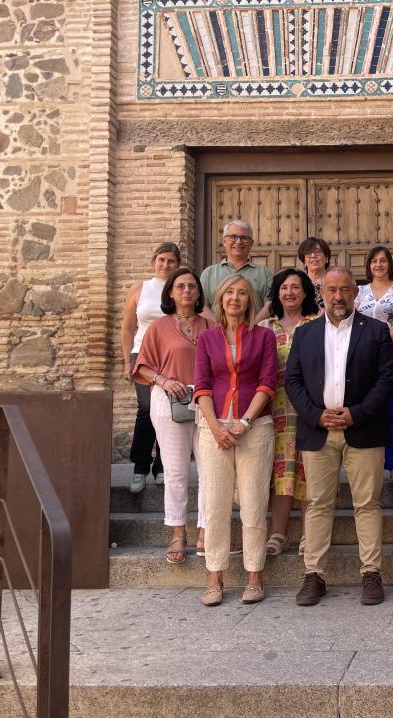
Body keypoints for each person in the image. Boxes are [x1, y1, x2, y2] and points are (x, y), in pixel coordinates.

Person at [285, 267, 393, 606]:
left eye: (345, 290)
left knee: (367, 503)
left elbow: (386, 379)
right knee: (318, 504)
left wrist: (357, 413)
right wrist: (316, 414)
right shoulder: (305, 334)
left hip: (363, 429)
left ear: (356, 293)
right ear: (322, 294)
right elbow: (292, 381)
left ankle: (371, 574)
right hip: (318, 431)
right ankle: (314, 576)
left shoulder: (377, 331)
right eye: (331, 290)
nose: (338, 296)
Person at [193, 274, 278, 606]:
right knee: (215, 504)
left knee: (254, 503)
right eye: (230, 292)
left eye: (242, 293)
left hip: (254, 427)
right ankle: (215, 576)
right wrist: (215, 427)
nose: (235, 298)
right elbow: (200, 385)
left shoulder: (264, 337)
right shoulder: (207, 339)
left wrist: (244, 422)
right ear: (220, 298)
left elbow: (267, 383)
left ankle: (255, 575)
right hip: (213, 428)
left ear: (250, 300)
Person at [132, 267, 213, 564]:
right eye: (180, 286)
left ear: (199, 292)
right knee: (176, 471)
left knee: (211, 471)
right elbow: (141, 366)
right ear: (170, 293)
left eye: (192, 286)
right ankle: (178, 533)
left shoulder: (210, 326)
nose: (187, 291)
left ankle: (207, 531)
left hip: (206, 402)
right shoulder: (159, 327)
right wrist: (165, 381)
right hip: (169, 400)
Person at [257, 268, 319, 557]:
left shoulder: (316, 324)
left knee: (308, 471)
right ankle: (278, 533)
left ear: (306, 292)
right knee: (281, 470)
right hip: (276, 409)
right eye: (284, 287)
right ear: (276, 294)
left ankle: (309, 534)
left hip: (310, 408)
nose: (290, 292)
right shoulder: (266, 327)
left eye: (296, 287)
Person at [120, 241, 180, 493]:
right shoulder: (139, 288)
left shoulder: (180, 288)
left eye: (171, 261)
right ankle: (140, 468)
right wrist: (126, 361)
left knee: (168, 412)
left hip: (170, 357)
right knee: (146, 410)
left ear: (178, 265)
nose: (165, 265)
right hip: (142, 356)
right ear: (153, 262)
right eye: (161, 259)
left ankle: (162, 466)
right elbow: (127, 327)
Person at [356, 245, 393, 483]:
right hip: (363, 358)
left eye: (383, 261)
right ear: (369, 265)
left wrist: (381, 341)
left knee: (392, 408)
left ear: (390, 264)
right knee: (367, 408)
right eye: (374, 261)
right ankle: (365, 465)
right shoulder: (359, 291)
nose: (378, 265)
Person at [199, 219, 272, 313]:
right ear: (224, 241)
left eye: (244, 238)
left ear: (251, 243)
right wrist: (217, 327)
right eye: (233, 237)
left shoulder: (264, 273)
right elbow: (201, 305)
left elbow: (270, 304)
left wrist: (253, 326)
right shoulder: (209, 273)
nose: (238, 242)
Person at [296, 236, 331, 312]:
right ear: (304, 261)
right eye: (308, 253)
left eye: (318, 252)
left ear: (327, 258)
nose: (313, 256)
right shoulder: (299, 283)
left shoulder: (335, 282)